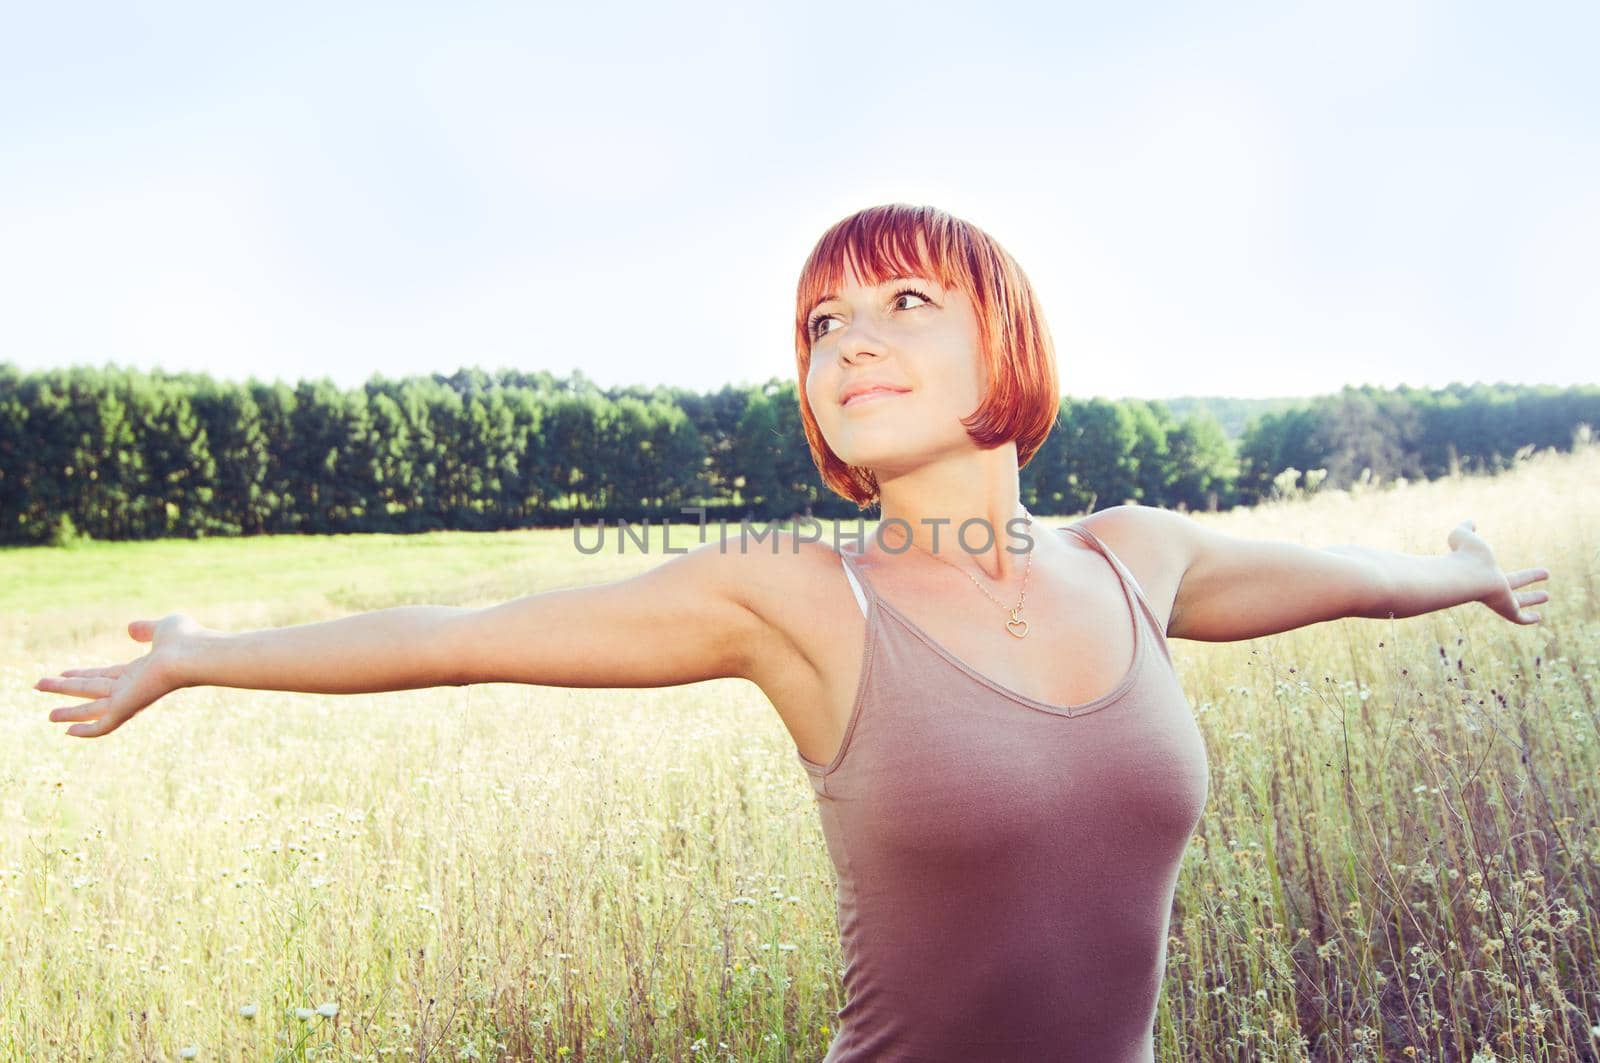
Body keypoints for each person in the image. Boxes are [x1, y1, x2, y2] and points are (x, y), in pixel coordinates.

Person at [34, 204, 1551, 1061]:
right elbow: (464, 634)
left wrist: (1467, 566)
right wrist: (198, 653)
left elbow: (1352, 574)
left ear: (1006, 345)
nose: (849, 339)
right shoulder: (796, 600)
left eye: (901, 301)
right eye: (822, 325)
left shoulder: (1138, 561)